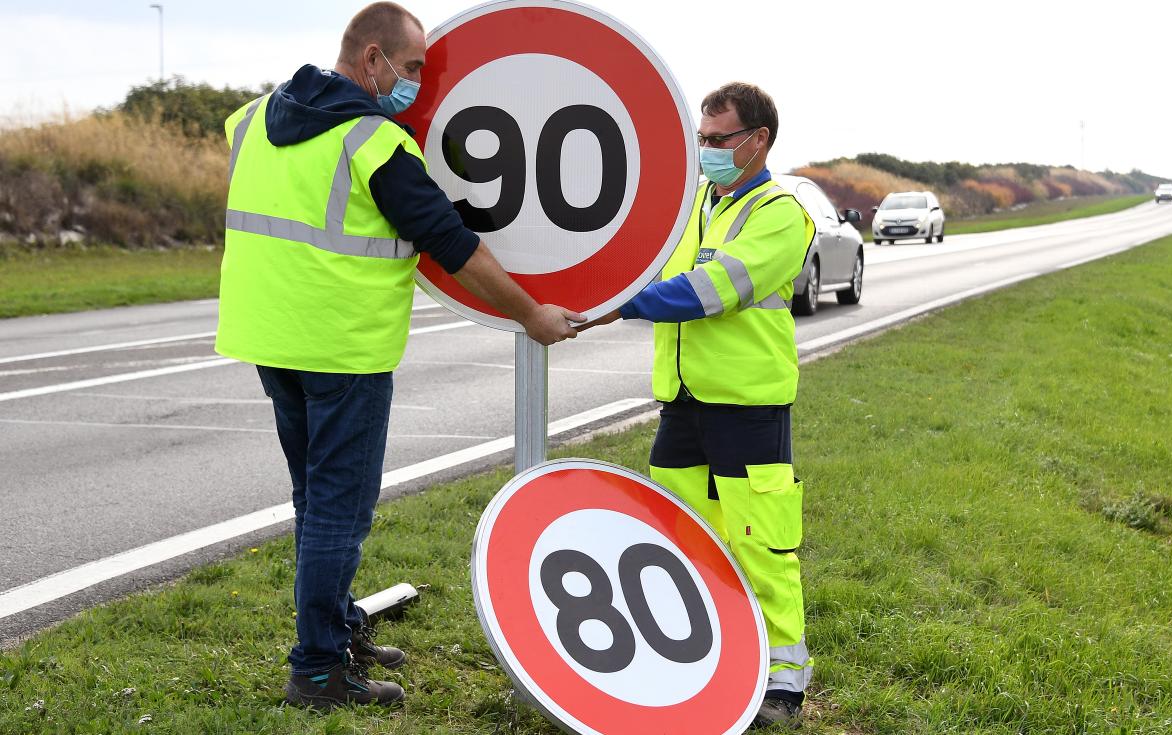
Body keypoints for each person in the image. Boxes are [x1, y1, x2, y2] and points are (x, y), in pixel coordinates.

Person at [216, 1, 583, 710]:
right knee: (338, 512)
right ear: (372, 59)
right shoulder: (373, 142)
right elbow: (454, 247)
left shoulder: (253, 119)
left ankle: (337, 625)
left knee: (313, 501)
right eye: (412, 67)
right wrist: (531, 313)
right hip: (342, 349)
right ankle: (318, 668)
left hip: (270, 338)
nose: (417, 81)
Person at [582, 82, 816, 729]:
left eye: (718, 139)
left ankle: (784, 680)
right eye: (701, 138)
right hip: (682, 407)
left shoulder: (778, 212)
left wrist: (621, 302)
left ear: (758, 140)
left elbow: (713, 290)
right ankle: (708, 655)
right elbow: (645, 265)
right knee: (678, 537)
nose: (706, 150)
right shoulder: (693, 208)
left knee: (759, 544)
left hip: (748, 408)